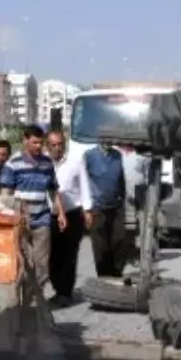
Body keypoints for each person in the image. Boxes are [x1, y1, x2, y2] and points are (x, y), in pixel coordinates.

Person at [0, 126, 67, 293]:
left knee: (42, 263)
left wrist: (61, 214)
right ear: (25, 140)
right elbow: (5, 194)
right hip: (21, 221)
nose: (38, 146)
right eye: (35, 142)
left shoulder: (46, 163)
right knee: (24, 262)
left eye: (41, 143)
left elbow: (53, 190)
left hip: (42, 218)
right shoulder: (13, 164)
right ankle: (24, 297)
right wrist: (12, 212)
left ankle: (36, 297)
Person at [45, 130, 92, 306]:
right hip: (49, 215)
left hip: (72, 214)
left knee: (69, 255)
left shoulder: (75, 162)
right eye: (54, 145)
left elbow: (84, 185)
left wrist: (87, 210)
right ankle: (57, 288)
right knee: (51, 255)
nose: (58, 148)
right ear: (47, 146)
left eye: (60, 145)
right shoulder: (43, 163)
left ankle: (65, 292)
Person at [83, 140, 128, 278]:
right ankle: (103, 276)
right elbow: (83, 180)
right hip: (97, 207)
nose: (109, 141)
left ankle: (117, 273)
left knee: (118, 241)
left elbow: (121, 179)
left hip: (116, 206)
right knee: (101, 246)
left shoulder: (117, 155)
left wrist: (123, 198)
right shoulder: (89, 156)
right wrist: (86, 209)